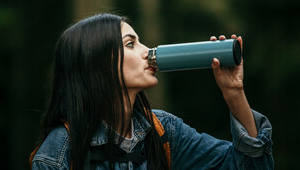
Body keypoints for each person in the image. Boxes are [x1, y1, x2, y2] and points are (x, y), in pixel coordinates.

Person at [30, 13, 273, 170]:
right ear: (97, 63)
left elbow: (249, 166)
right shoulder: (58, 154)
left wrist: (234, 92)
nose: (147, 51)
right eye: (130, 44)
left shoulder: (163, 131)